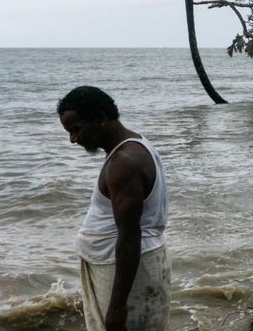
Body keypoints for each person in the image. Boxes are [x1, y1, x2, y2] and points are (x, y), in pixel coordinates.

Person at [57, 86, 170, 331]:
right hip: (133, 264)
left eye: (76, 130)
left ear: (100, 119)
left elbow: (130, 235)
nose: (73, 139)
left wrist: (118, 306)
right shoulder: (134, 146)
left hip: (127, 271)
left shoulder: (123, 164)